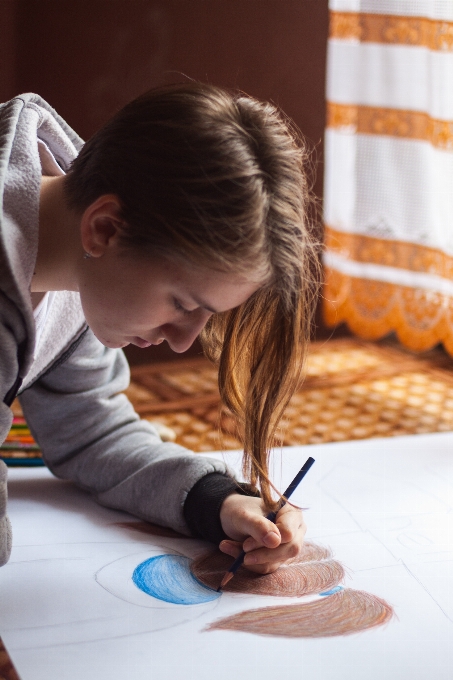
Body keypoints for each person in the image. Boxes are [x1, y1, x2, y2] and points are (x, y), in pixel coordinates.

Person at [0, 83, 320, 573]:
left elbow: (90, 433)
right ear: (104, 228)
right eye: (182, 303)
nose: (183, 340)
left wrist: (217, 502)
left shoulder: (81, 274)